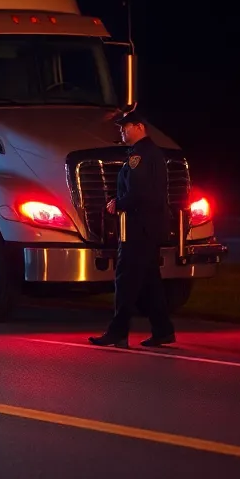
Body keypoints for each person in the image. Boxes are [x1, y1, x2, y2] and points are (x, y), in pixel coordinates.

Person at [89, 108, 176, 349]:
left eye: (124, 128)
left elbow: (139, 192)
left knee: (125, 279)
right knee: (150, 281)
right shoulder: (149, 153)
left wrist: (118, 203)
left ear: (139, 127)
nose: (122, 132)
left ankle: (118, 332)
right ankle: (163, 330)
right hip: (149, 226)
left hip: (138, 226)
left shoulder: (140, 156)